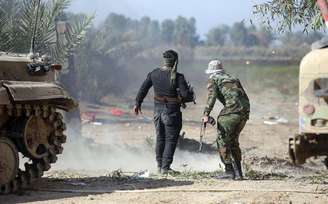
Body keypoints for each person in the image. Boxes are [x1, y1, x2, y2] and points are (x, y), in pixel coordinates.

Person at [134, 50, 191, 174]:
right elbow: (186, 96)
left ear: (164, 60)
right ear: (175, 61)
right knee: (170, 140)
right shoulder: (178, 77)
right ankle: (166, 168)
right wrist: (188, 95)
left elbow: (143, 89)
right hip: (171, 112)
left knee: (160, 138)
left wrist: (137, 103)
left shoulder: (154, 74)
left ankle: (159, 166)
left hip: (157, 112)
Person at [202, 60, 250, 180]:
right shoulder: (233, 78)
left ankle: (229, 171)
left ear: (211, 72)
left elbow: (211, 98)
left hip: (231, 112)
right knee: (233, 141)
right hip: (244, 112)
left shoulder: (213, 79)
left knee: (222, 141)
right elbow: (242, 96)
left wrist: (206, 114)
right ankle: (239, 173)